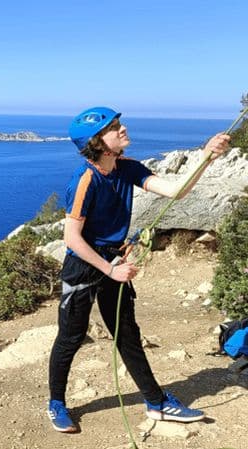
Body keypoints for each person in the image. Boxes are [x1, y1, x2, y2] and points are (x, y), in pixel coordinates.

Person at [46, 106, 231, 433]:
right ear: (97, 142)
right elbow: (71, 238)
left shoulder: (127, 168)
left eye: (119, 123)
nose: (123, 128)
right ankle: (56, 402)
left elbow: (177, 191)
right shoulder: (86, 180)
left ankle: (156, 402)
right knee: (71, 337)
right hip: (86, 265)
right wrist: (109, 269)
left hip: (114, 261)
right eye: (114, 127)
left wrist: (207, 157)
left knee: (127, 335)